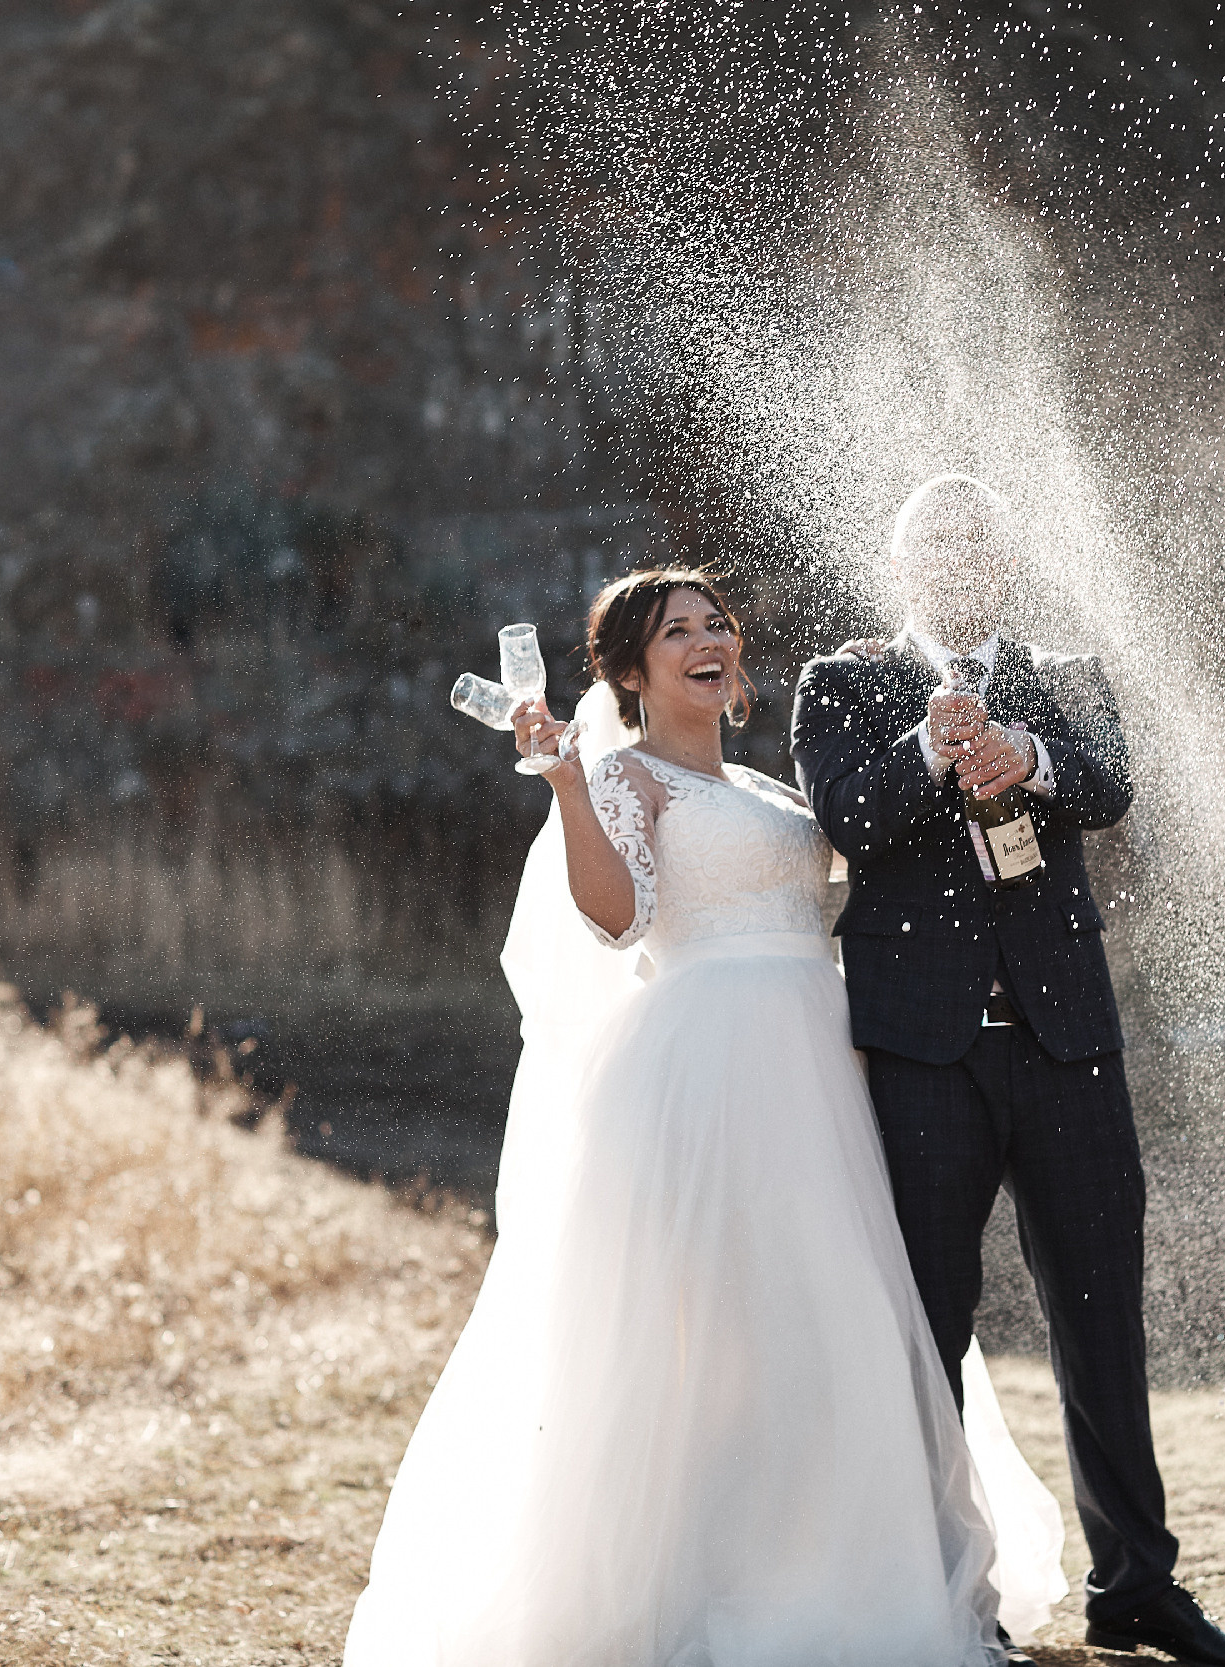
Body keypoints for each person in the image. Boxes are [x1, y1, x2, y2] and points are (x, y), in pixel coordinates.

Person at [344, 569, 1062, 1667]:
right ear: (631, 673)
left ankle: (853, 1566)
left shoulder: (773, 788)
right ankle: (718, 1580)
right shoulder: (622, 776)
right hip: (711, 1069)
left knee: (842, 1313)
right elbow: (618, 919)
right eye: (674, 630)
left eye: (716, 622)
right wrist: (566, 787)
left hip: (819, 1061)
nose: (707, 638)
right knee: (724, 1332)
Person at [790, 475, 1225, 1667]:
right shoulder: (843, 681)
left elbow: (1111, 787)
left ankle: (1138, 1587)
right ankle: (939, 1593)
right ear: (900, 565)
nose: (958, 556)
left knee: (1102, 1315)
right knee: (930, 1325)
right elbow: (847, 816)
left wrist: (1029, 755)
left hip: (1068, 1043)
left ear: (1007, 561)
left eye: (978, 539)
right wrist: (931, 745)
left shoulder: (1065, 673)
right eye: (934, 540)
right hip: (921, 1051)